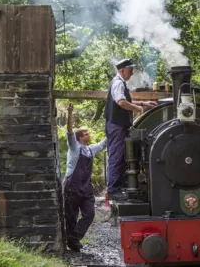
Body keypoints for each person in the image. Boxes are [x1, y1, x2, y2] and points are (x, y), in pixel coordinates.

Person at [104, 58, 157, 200]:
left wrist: (143, 102)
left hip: (117, 125)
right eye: (130, 70)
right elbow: (121, 102)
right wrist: (138, 108)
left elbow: (124, 100)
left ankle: (118, 188)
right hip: (117, 126)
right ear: (122, 70)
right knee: (116, 157)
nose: (132, 73)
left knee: (120, 156)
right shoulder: (117, 83)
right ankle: (113, 191)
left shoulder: (120, 83)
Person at [63, 103, 107, 252]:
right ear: (80, 137)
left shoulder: (90, 149)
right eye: (86, 133)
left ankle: (74, 238)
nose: (89, 134)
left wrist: (115, 126)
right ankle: (73, 243)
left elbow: (105, 143)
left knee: (89, 213)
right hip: (72, 186)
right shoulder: (74, 147)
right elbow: (69, 131)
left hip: (85, 188)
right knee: (71, 217)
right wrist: (70, 113)